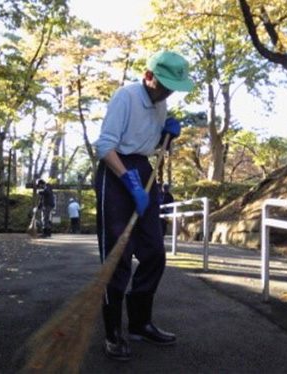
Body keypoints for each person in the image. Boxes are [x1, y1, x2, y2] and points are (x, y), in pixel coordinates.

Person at [94, 50, 193, 361]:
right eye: (163, 85)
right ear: (148, 76)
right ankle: (112, 330)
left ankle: (139, 322)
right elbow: (105, 146)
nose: (168, 92)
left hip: (142, 169)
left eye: (172, 87)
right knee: (118, 256)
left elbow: (149, 146)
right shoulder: (125, 97)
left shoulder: (161, 103)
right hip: (115, 172)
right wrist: (130, 181)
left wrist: (167, 136)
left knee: (153, 252)